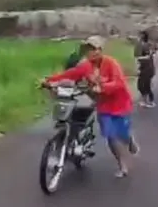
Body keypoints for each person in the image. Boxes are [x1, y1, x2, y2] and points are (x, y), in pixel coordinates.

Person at [42, 36, 137, 178]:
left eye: (94, 49)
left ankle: (130, 140)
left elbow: (119, 82)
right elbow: (70, 75)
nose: (91, 52)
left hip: (120, 104)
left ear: (100, 50)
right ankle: (122, 164)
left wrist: (103, 87)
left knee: (122, 134)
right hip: (103, 105)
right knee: (111, 136)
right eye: (88, 49)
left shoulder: (111, 63)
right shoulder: (86, 66)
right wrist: (49, 81)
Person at [134, 30, 156, 107]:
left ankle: (150, 101)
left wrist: (144, 58)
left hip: (147, 68)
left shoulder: (145, 45)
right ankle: (146, 100)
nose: (138, 37)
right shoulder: (143, 45)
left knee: (144, 86)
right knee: (142, 86)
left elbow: (140, 57)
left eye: (140, 35)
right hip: (145, 68)